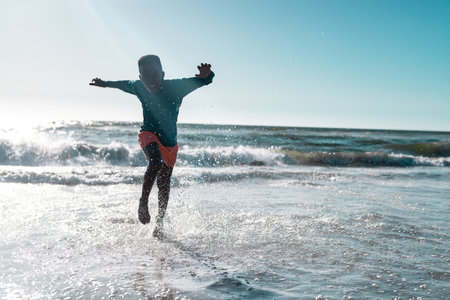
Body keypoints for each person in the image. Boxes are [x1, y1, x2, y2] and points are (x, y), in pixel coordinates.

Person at [90, 55, 214, 238]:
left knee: (164, 184)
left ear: (162, 74)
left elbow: (204, 81)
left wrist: (207, 74)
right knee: (155, 161)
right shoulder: (138, 86)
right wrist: (105, 83)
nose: (150, 80)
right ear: (140, 78)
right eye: (145, 76)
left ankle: (160, 223)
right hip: (148, 134)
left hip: (170, 142)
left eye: (154, 75)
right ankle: (143, 202)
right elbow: (123, 84)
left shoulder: (176, 87)